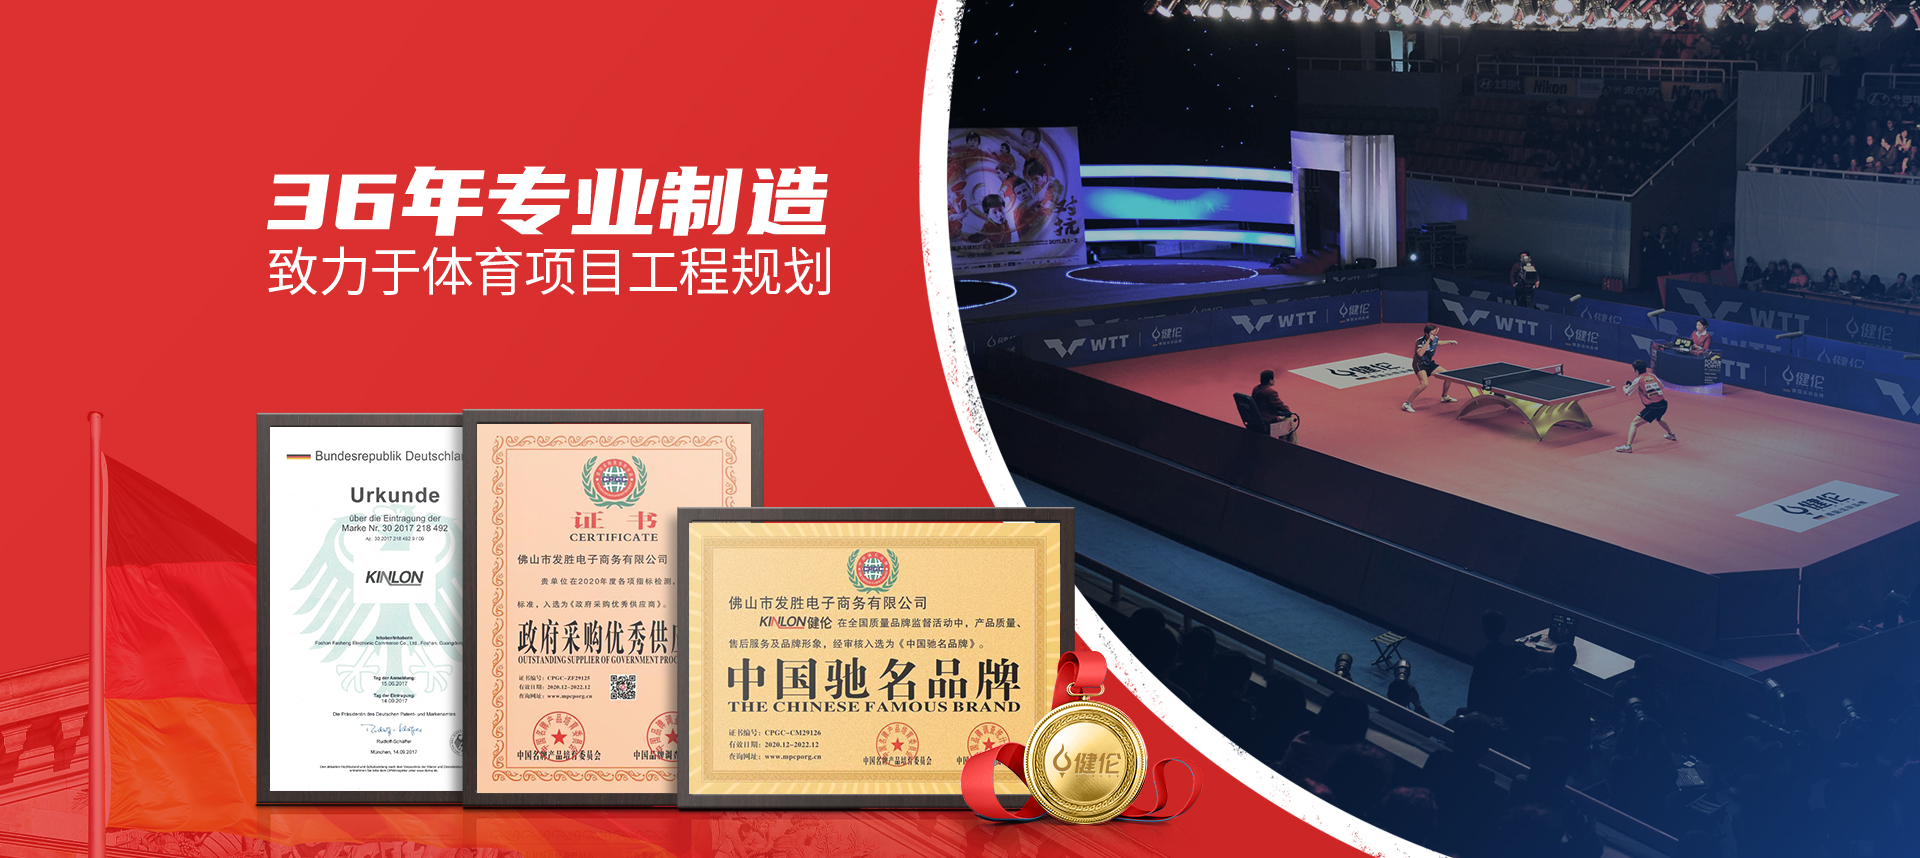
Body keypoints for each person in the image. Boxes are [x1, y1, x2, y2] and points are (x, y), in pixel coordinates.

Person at [1616, 358, 1674, 453]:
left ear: (1637, 370)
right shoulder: (1652, 376)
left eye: (1633, 369)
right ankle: (1671, 434)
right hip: (1663, 404)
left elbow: (1627, 393)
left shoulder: (1638, 380)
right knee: (1658, 418)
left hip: (1653, 407)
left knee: (1634, 424)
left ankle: (1628, 446)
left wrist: (1624, 388)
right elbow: (1662, 386)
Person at [1401, 324, 1459, 413]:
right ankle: (1407, 404)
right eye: (1432, 334)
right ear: (1426, 333)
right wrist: (1428, 341)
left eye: (1435, 333)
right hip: (1419, 364)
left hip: (1429, 363)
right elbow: (1420, 353)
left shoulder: (1435, 338)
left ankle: (1444, 396)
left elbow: (1437, 343)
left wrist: (1449, 342)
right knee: (1424, 384)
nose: (1434, 335)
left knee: (1448, 376)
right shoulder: (1419, 341)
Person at [1251, 369, 1292, 434]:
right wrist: (1289, 412)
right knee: (1290, 421)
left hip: (1255, 421)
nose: (1275, 379)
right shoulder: (1271, 392)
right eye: (1274, 378)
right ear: (1270, 380)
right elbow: (1280, 406)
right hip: (1267, 423)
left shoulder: (1255, 389)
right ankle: (1287, 440)